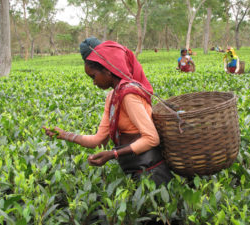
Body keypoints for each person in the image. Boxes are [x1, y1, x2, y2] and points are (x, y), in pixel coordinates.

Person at [43, 37, 173, 187]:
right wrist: (64, 134)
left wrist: (114, 154)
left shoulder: (128, 95)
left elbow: (152, 139)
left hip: (152, 174)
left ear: (107, 71)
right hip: (133, 170)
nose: (93, 82)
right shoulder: (113, 96)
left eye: (93, 76)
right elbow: (98, 140)